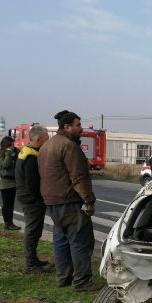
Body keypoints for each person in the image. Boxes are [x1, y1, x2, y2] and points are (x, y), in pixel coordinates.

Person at [38, 110, 99, 291]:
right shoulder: (69, 146)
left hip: (52, 200)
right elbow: (78, 177)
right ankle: (81, 282)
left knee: (61, 239)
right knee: (81, 240)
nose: (81, 128)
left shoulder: (47, 146)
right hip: (68, 201)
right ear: (67, 126)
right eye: (78, 125)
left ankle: (63, 277)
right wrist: (89, 200)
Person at [15, 125, 52, 274]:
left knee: (34, 230)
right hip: (31, 200)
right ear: (38, 140)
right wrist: (40, 199)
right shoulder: (30, 157)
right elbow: (32, 183)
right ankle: (30, 264)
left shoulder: (28, 151)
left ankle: (33, 260)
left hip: (28, 198)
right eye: (46, 139)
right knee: (32, 231)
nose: (48, 142)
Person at [0, 136, 20, 230]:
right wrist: (9, 153)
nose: (13, 146)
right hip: (5, 182)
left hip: (14, 180)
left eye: (14, 144)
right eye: (11, 144)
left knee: (11, 203)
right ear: (6, 145)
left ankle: (11, 222)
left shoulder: (16, 151)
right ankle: (7, 223)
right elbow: (5, 165)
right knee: (7, 203)